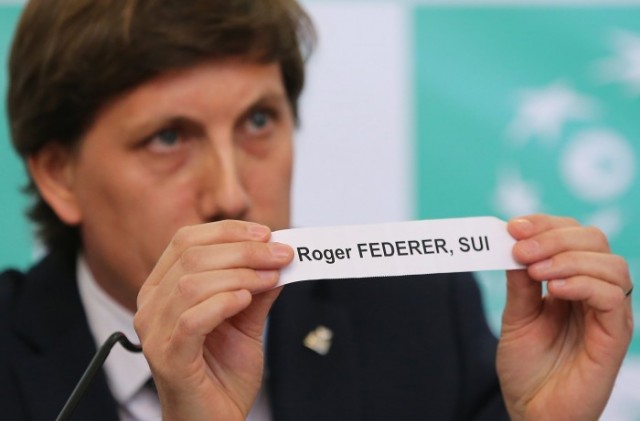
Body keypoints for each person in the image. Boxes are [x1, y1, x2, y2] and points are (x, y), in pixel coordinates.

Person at [0, 0, 633, 420]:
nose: (230, 194)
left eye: (258, 121)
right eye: (168, 138)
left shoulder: (418, 318)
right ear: (59, 174)